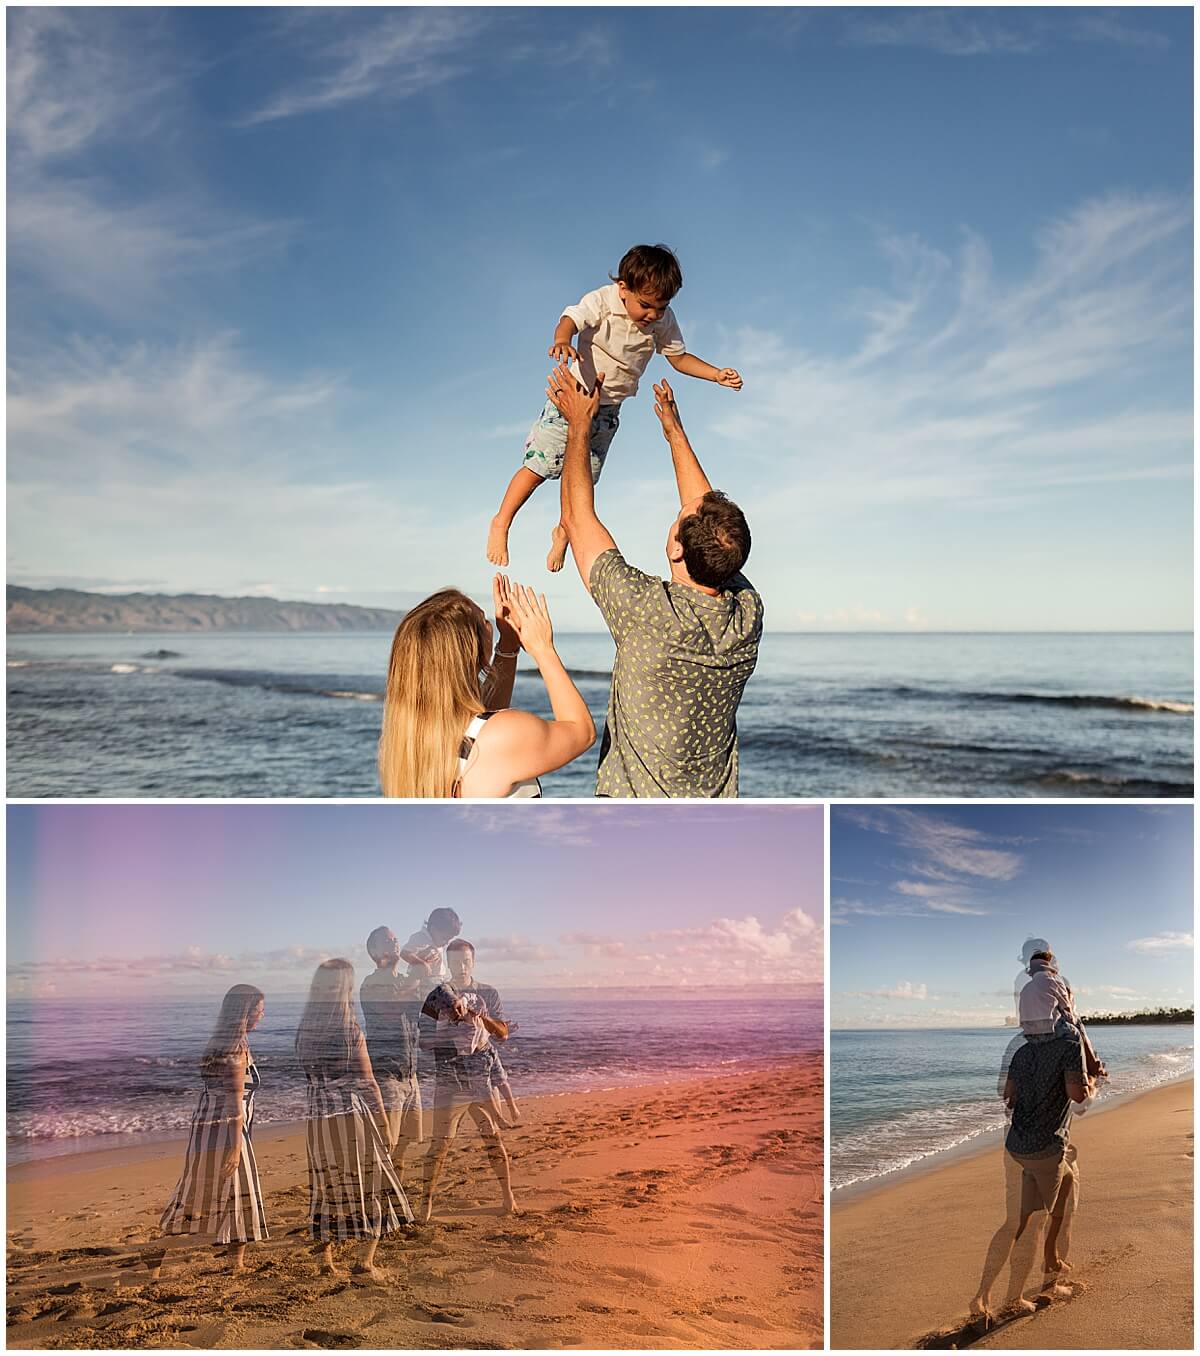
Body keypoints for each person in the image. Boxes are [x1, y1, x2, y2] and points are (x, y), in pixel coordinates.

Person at [550, 364, 762, 797]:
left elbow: (577, 518)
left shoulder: (645, 610)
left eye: (678, 519)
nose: (682, 508)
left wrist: (578, 427)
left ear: (677, 550)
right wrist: (674, 432)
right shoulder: (747, 614)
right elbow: (706, 514)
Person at [487, 243, 743, 571]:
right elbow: (570, 318)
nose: (652, 315)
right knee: (538, 468)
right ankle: (502, 521)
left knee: (582, 481)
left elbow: (678, 358)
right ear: (624, 288)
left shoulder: (663, 323)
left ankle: (564, 532)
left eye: (661, 308)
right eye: (646, 305)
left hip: (607, 412)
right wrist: (563, 340)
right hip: (573, 398)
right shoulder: (604, 302)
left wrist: (715, 375)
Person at [378, 574, 595, 797]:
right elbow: (582, 731)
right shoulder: (501, 737)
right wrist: (542, 648)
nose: (492, 625)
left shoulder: (410, 745)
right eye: (484, 621)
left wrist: (508, 647)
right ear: (472, 650)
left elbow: (483, 724)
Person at [296, 959, 412, 1281]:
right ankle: (365, 1263)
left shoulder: (305, 1031)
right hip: (349, 1118)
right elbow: (368, 1082)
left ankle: (326, 1265)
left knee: (326, 1188)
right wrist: (385, 1124)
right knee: (376, 1184)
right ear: (346, 990)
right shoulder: (350, 1032)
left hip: (318, 1121)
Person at [969, 1033, 1092, 1320]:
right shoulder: (1069, 1045)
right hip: (1046, 1145)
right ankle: (1036, 1285)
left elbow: (1008, 1097)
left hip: (1017, 1144)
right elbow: (1080, 1101)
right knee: (1039, 1217)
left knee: (1029, 1215)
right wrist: (1093, 1082)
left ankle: (986, 1295)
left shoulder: (1022, 1049)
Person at [154, 985, 268, 1277]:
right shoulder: (237, 1049)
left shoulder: (220, 1042)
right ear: (245, 1013)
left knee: (197, 1190)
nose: (262, 1017)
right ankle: (236, 1263)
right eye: (258, 1011)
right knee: (240, 1190)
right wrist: (236, 1146)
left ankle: (157, 1253)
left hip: (206, 1126)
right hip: (227, 1130)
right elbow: (234, 1103)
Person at [417, 940, 517, 1222]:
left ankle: (508, 1195)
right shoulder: (437, 995)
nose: (460, 967)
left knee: (493, 1140)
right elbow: (423, 1042)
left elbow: (503, 1033)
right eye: (455, 962)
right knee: (440, 1145)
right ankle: (426, 1205)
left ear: (473, 962)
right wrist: (450, 1030)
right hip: (449, 1081)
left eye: (466, 961)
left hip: (481, 1082)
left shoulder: (488, 992)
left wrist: (476, 1016)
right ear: (448, 963)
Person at [359, 927, 425, 1188]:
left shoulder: (407, 981)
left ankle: (393, 1198)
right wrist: (418, 970)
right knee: (386, 1143)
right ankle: (375, 1203)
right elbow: (392, 1007)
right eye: (387, 940)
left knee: (405, 1143)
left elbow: (428, 1014)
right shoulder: (371, 984)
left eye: (396, 938)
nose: (395, 942)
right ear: (374, 951)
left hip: (411, 1074)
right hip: (385, 1075)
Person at [398, 907, 462, 999]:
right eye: (444, 938)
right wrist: (421, 963)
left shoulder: (437, 940)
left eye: (449, 939)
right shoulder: (420, 938)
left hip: (439, 979)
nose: (446, 943)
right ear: (433, 929)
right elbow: (404, 953)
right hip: (423, 980)